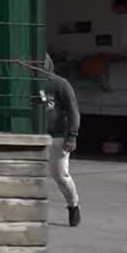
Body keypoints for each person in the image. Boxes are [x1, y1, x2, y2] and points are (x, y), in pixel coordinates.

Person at [37, 54, 81, 227]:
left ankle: (73, 205)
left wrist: (72, 136)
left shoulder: (60, 84)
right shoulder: (26, 83)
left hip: (58, 136)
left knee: (60, 175)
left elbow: (73, 111)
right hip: (36, 136)